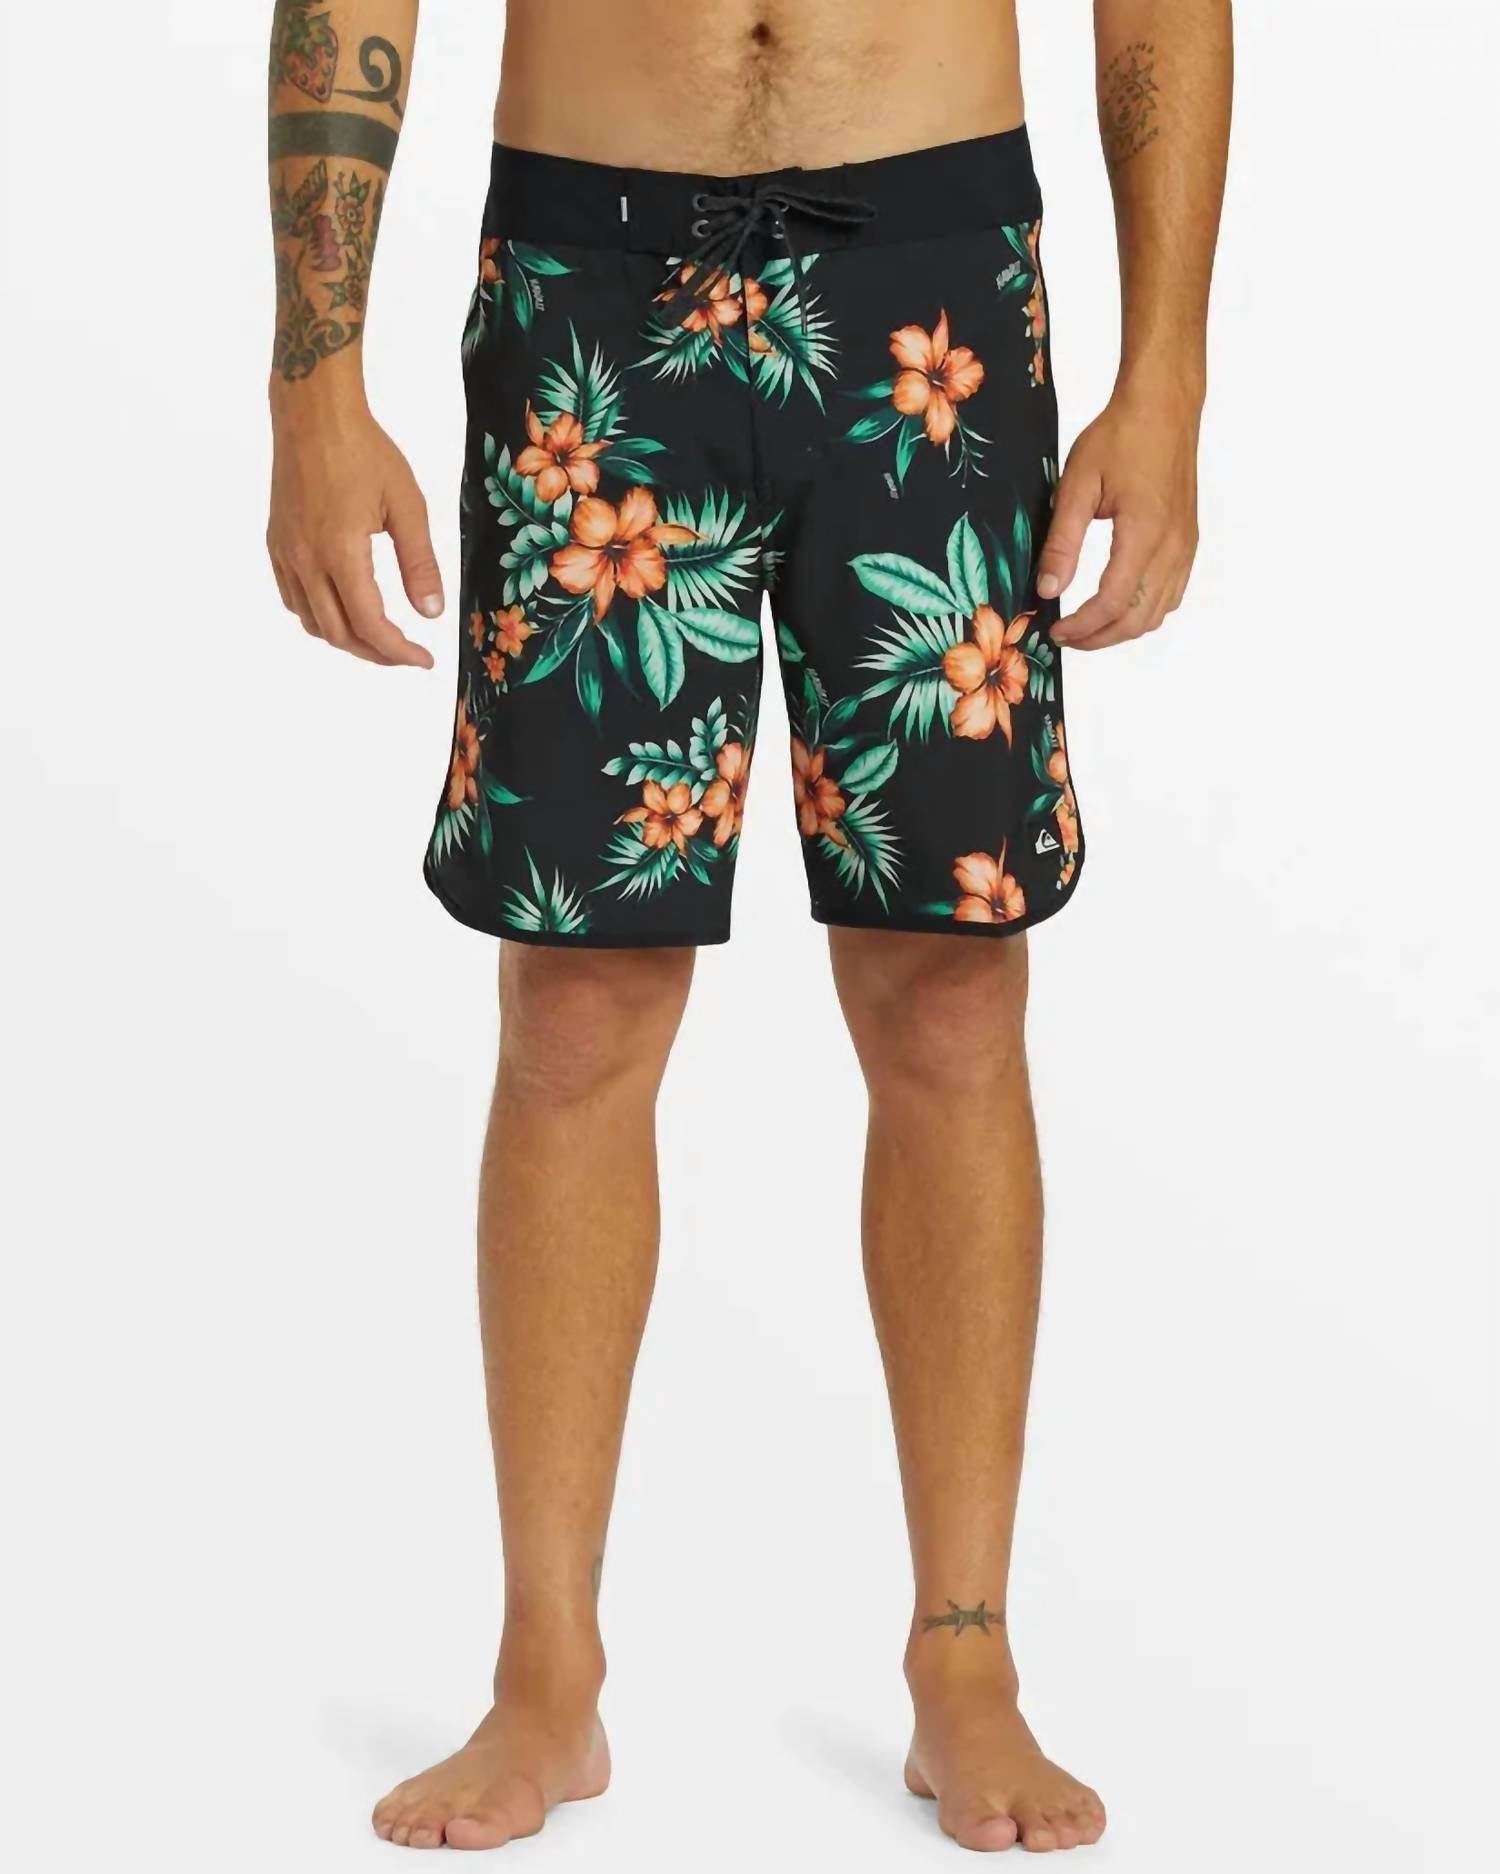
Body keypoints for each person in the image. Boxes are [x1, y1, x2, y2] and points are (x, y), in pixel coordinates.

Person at [265, 0, 1230, 1852]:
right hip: (588, 281)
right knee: (572, 1006)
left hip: (936, 277)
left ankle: (965, 1654)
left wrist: (1167, 369)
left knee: (951, 992)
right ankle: (546, 1671)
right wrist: (314, 373)